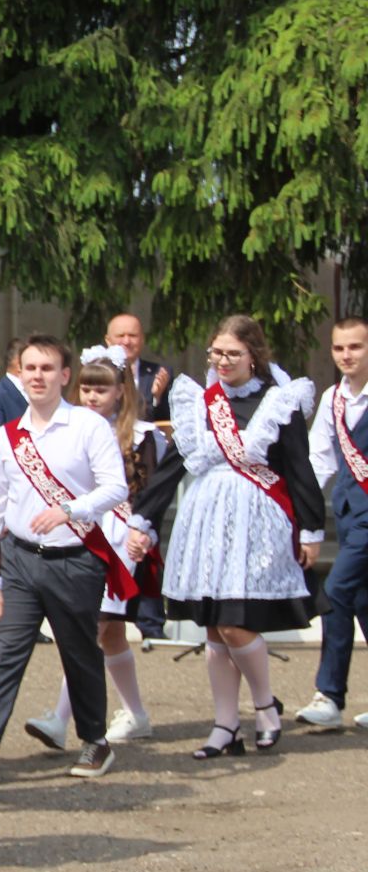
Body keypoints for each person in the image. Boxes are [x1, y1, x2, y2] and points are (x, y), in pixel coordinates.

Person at [130, 316, 322, 757]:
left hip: (259, 523)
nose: (222, 361)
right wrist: (143, 522)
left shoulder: (278, 402)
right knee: (214, 628)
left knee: (236, 623)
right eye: (216, 353)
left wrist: (311, 529)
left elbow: (298, 467)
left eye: (233, 354)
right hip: (207, 525)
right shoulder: (201, 402)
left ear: (253, 356)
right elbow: (173, 466)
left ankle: (265, 707)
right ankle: (225, 725)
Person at [0, 336, 131, 782]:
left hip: (75, 558)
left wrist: (71, 509)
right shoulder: (6, 436)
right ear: (19, 374)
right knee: (5, 651)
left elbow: (115, 487)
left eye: (47, 368)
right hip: (19, 559)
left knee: (78, 652)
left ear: (64, 376)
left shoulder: (88, 426)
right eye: (30, 368)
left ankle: (95, 741)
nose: (37, 376)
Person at [22, 346, 165, 748]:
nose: (91, 397)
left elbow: (153, 492)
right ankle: (136, 714)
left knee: (92, 626)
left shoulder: (142, 436)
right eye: (85, 388)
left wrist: (146, 533)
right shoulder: (68, 429)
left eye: (101, 390)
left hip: (121, 539)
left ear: (121, 391)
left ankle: (60, 718)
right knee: (110, 634)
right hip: (80, 530)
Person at [298, 317, 368, 730]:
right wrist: (300, 509)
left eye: (356, 347)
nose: (347, 355)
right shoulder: (333, 398)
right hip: (349, 512)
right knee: (362, 601)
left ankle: (329, 695)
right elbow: (318, 459)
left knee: (337, 592)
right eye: (340, 348)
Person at [106, 313, 174, 422]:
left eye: (132, 336)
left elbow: (167, 420)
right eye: (120, 336)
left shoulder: (159, 373)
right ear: (108, 340)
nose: (127, 341)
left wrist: (157, 398)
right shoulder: (97, 372)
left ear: (142, 339)